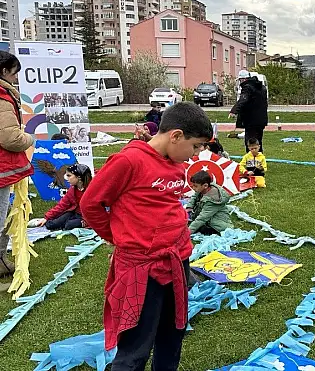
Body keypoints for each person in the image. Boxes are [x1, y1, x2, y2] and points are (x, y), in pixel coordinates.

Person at [81, 101, 212, 371]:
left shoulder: (175, 162)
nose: (196, 154)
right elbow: (90, 204)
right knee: (136, 346)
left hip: (177, 260)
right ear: (175, 136)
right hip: (142, 269)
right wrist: (117, 236)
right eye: (196, 146)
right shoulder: (128, 161)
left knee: (172, 334)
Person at [0, 51, 34, 278]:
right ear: (4, 71)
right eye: (14, 74)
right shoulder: (2, 97)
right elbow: (9, 137)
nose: (16, 79)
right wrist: (29, 139)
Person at [38, 164, 92, 231]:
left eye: (69, 175)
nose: (66, 178)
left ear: (79, 177)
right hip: (74, 213)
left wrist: (87, 222)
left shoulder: (92, 190)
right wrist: (46, 217)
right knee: (52, 225)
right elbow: (62, 205)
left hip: (88, 217)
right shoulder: (72, 189)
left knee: (69, 225)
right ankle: (41, 221)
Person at [229, 70, 268, 153]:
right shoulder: (262, 87)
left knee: (250, 142)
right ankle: (259, 160)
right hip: (261, 120)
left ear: (243, 79)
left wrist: (234, 111)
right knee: (258, 141)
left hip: (251, 120)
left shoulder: (247, 87)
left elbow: (243, 99)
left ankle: (251, 161)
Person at [186, 171, 232, 235]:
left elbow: (202, 218)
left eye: (195, 186)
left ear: (205, 186)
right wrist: (189, 207)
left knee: (202, 229)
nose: (193, 188)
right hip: (207, 218)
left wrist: (187, 232)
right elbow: (194, 196)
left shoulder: (212, 200)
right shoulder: (202, 188)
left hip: (216, 225)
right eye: (192, 185)